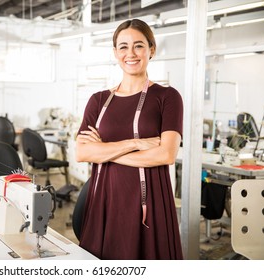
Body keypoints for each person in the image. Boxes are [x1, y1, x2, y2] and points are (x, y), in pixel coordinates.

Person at [75, 19, 183, 260]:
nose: (130, 53)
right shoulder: (98, 100)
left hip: (150, 201)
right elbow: (82, 153)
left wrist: (103, 150)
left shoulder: (168, 97)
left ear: (151, 50)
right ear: (115, 53)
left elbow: (166, 154)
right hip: (105, 198)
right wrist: (134, 143)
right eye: (123, 47)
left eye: (139, 46)